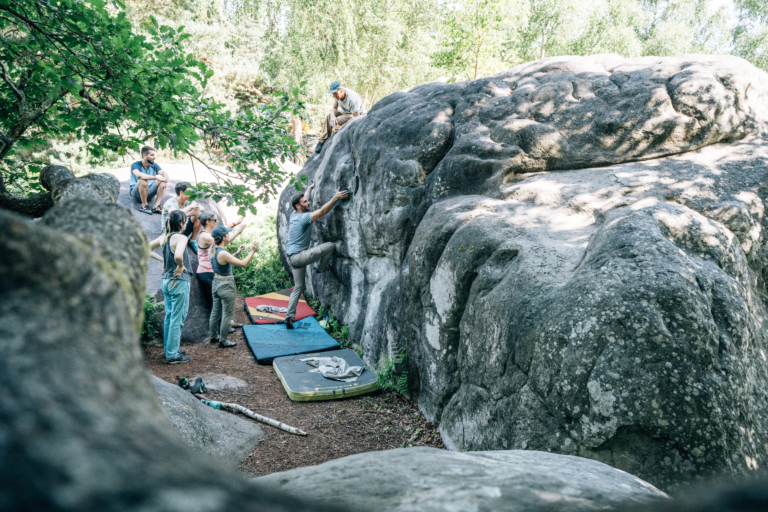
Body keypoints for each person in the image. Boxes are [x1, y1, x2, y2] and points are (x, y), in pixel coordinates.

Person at [284, 183, 349, 329]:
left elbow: (304, 198)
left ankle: (288, 318)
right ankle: (320, 268)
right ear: (299, 207)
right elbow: (322, 211)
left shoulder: (295, 213)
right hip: (298, 257)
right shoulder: (303, 218)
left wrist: (311, 187)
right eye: (305, 202)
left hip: (292, 259)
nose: (308, 202)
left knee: (298, 288)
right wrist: (336, 198)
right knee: (329, 246)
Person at [149, 209, 192, 364]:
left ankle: (170, 350)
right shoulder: (181, 237)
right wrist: (180, 265)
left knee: (170, 316)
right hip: (179, 281)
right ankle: (173, 355)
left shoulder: (164, 237)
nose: (186, 223)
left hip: (166, 281)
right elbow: (179, 255)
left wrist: (163, 262)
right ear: (181, 223)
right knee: (177, 318)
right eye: (185, 220)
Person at [206, 226, 260, 348]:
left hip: (216, 283)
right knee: (227, 314)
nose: (228, 235)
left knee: (215, 311)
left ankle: (214, 336)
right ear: (224, 237)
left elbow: (224, 260)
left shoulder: (213, 249)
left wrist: (236, 253)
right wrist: (252, 250)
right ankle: (223, 340)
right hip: (226, 285)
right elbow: (243, 264)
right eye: (227, 234)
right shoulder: (223, 253)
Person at [197, 211, 247, 334]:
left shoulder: (208, 234)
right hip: (207, 273)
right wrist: (238, 231)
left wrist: (235, 223)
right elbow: (223, 239)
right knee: (216, 304)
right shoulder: (205, 236)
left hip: (209, 272)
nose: (217, 222)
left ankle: (224, 325)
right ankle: (221, 329)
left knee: (217, 303)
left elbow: (221, 232)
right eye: (215, 220)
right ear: (208, 222)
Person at [315, 81, 363, 153]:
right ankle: (322, 140)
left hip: (357, 115)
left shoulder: (352, 99)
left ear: (342, 90)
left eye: (335, 93)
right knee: (329, 116)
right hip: (347, 112)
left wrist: (345, 125)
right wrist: (332, 116)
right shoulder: (337, 96)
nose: (333, 96)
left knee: (338, 119)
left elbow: (357, 119)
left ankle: (336, 136)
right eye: (332, 93)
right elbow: (334, 107)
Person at [161, 182, 205, 251]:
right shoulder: (170, 203)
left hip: (183, 228)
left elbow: (202, 209)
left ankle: (192, 240)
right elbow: (174, 215)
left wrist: (186, 214)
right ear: (181, 193)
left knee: (199, 215)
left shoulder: (188, 200)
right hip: (171, 232)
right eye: (189, 191)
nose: (191, 193)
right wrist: (190, 208)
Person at [130, 146, 169, 214]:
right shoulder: (135, 165)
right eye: (152, 155)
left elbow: (163, 173)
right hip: (136, 193)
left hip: (149, 192)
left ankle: (156, 206)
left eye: (154, 155)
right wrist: (157, 178)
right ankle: (144, 206)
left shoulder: (154, 165)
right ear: (144, 156)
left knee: (162, 181)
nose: (154, 157)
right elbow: (139, 175)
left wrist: (164, 179)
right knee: (143, 180)